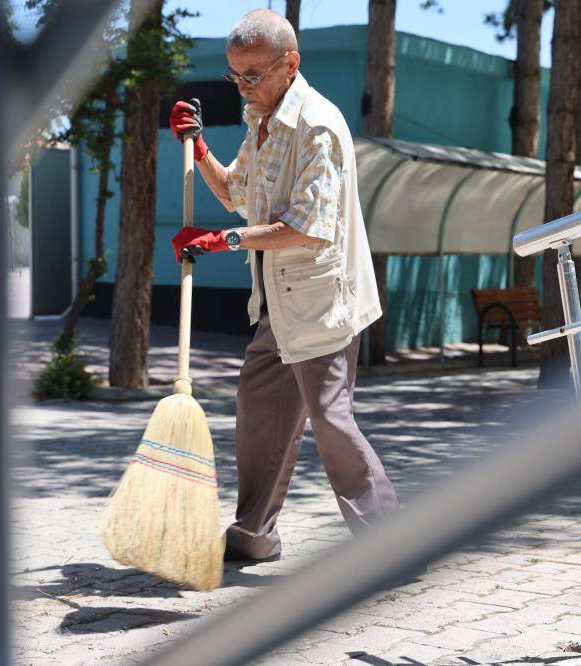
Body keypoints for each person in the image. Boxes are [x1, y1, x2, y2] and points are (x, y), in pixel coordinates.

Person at [169, 9, 398, 562]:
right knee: (260, 410)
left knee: (329, 419)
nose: (243, 88)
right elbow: (236, 194)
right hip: (277, 304)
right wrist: (198, 148)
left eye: (253, 75)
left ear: (289, 64)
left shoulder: (317, 126)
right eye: (235, 76)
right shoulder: (261, 120)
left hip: (322, 305)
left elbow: (304, 228)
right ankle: (255, 534)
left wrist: (223, 241)